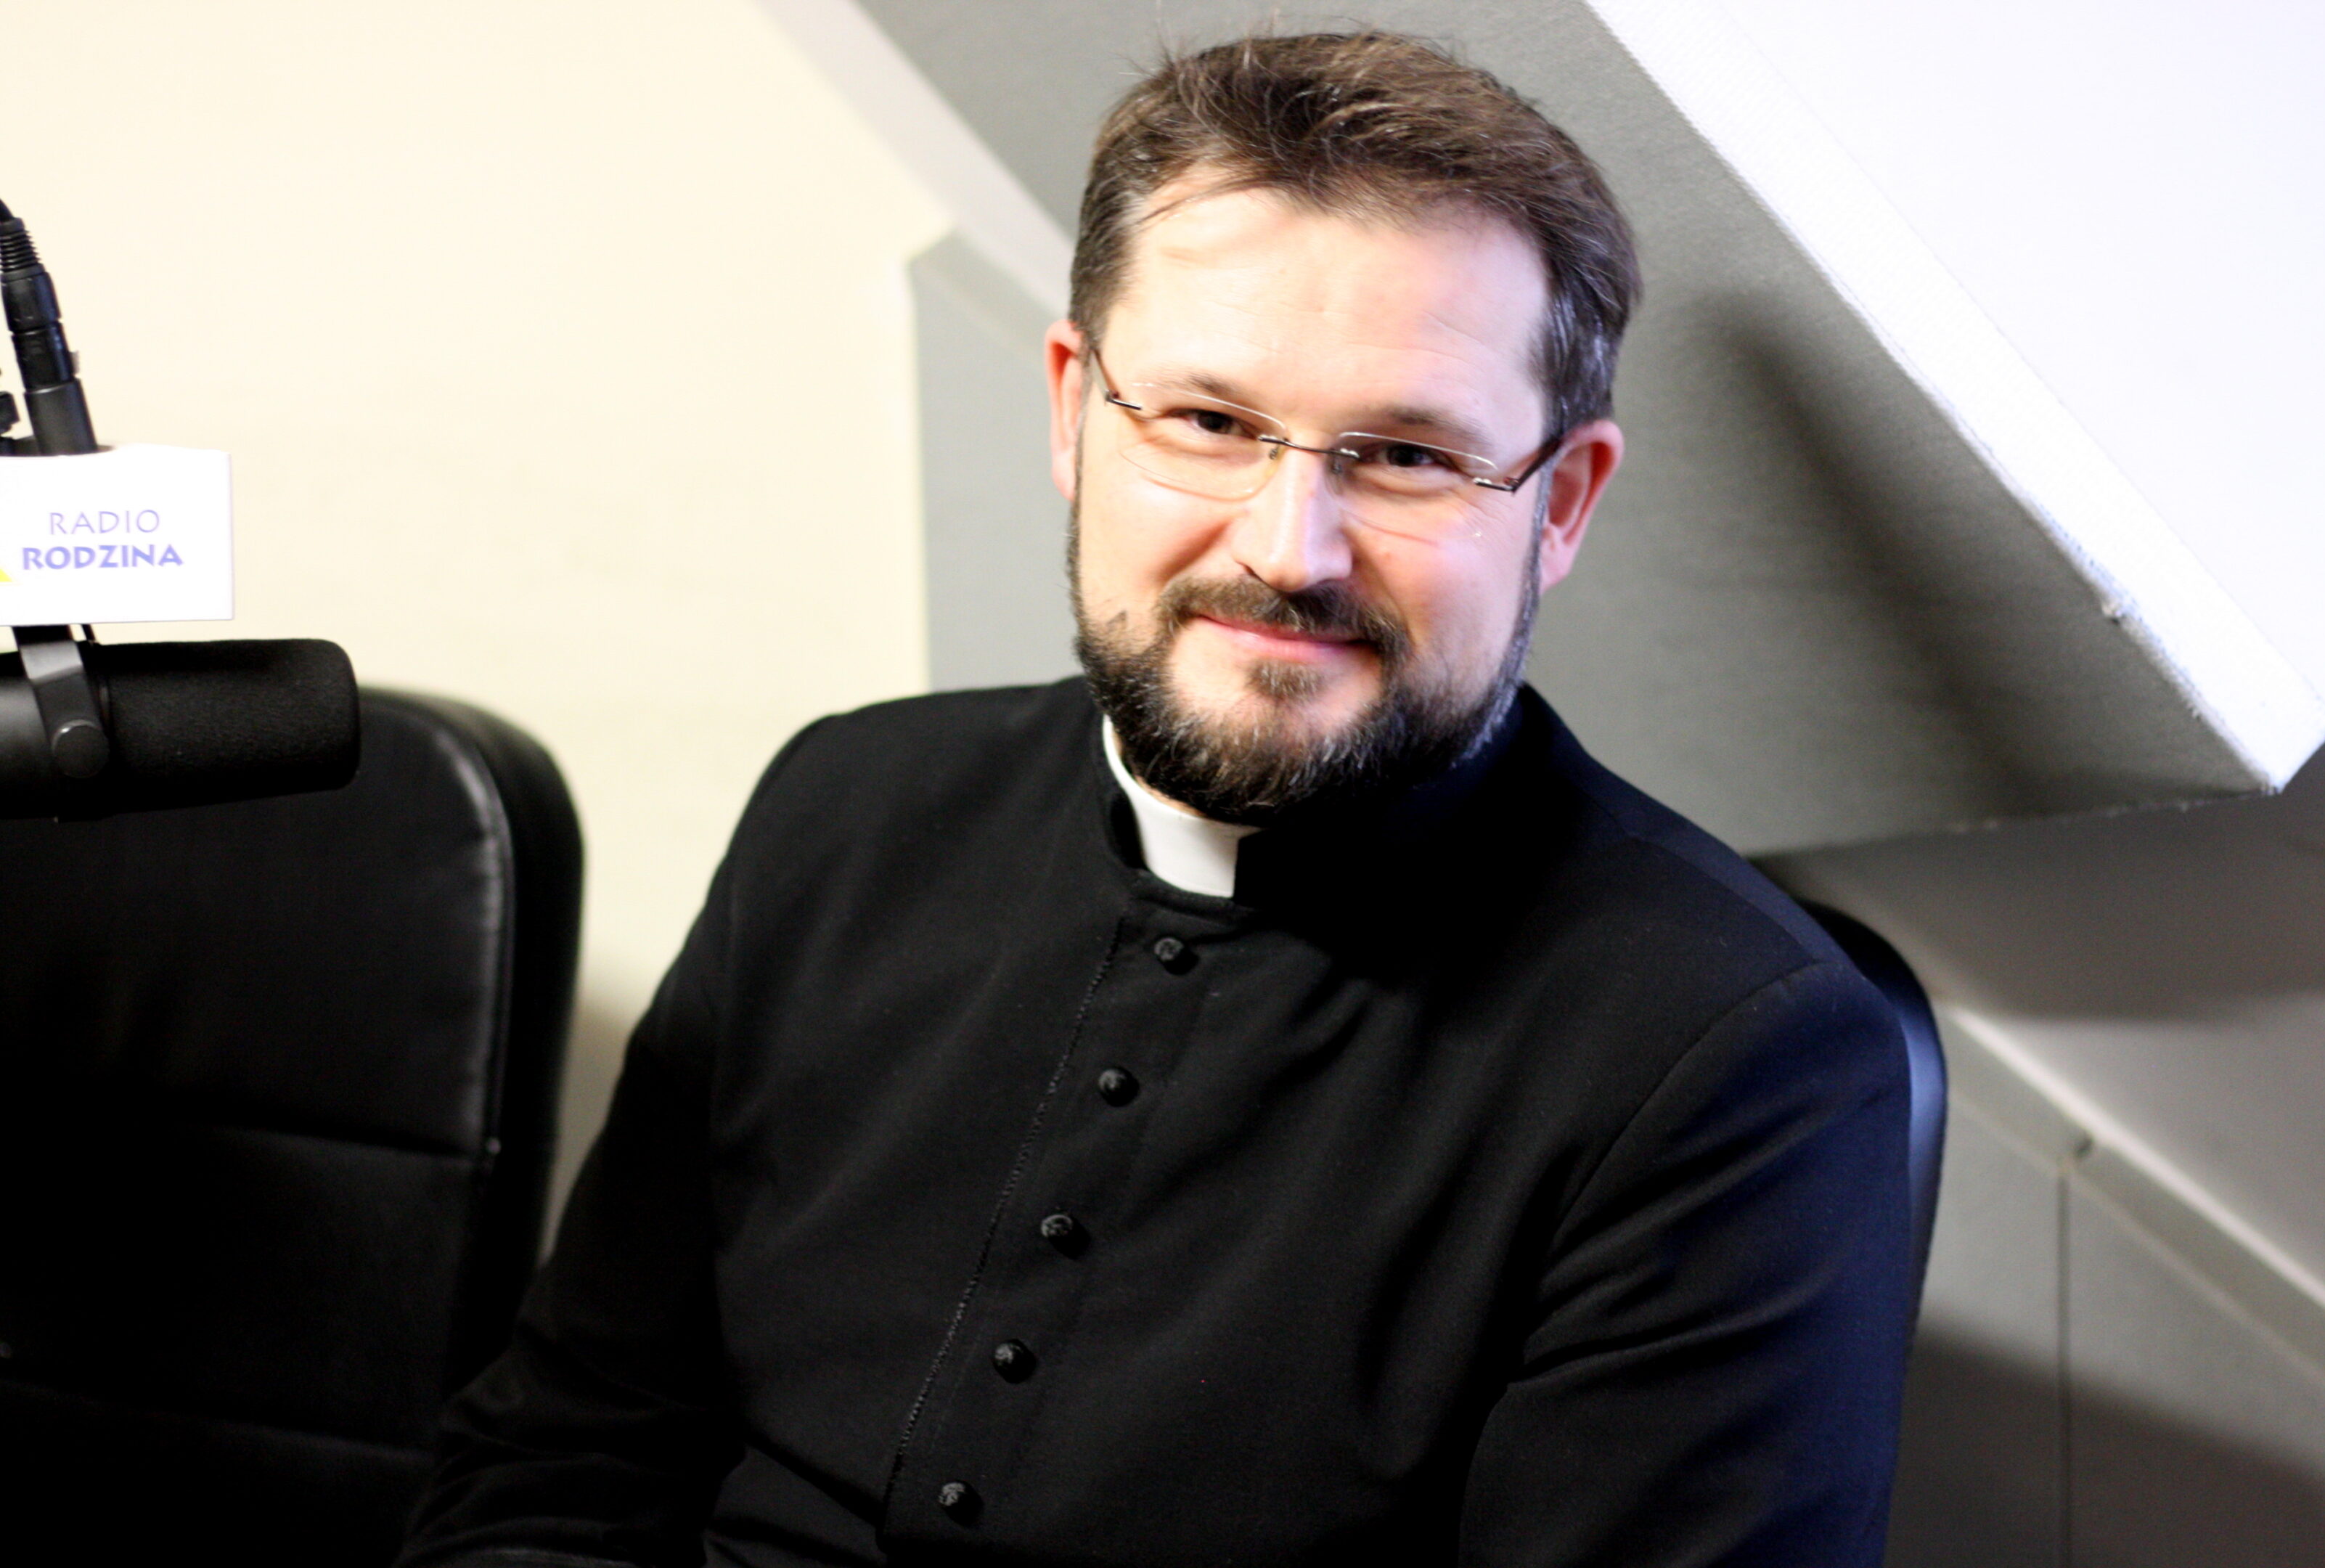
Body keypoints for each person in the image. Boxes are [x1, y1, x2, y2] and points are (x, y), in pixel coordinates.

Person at [399, 30, 1913, 1568]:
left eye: (1405, 454)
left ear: (1563, 501)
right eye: (1208, 421)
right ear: (1074, 412)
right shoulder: (841, 808)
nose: (1288, 549)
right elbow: (557, 1462)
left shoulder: (1737, 1055)